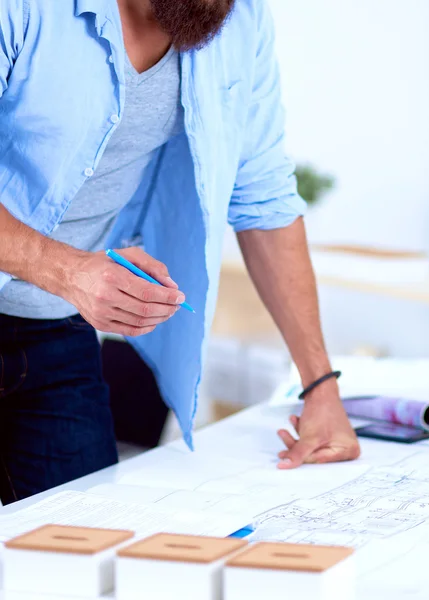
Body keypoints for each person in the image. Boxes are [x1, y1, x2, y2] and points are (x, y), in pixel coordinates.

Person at [0, 0, 360, 505]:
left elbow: (262, 196)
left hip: (58, 328)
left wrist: (320, 387)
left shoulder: (241, 20)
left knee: (86, 550)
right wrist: (67, 270)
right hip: (63, 289)